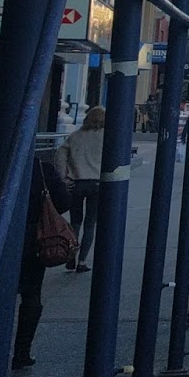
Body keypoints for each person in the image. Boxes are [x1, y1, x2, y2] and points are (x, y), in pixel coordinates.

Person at [0, 137, 70, 369]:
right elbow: (62, 201)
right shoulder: (38, 168)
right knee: (31, 294)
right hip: (30, 240)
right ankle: (22, 351)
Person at [56, 106, 107, 272]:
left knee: (75, 221)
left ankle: (71, 255)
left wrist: (63, 177)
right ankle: (82, 261)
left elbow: (60, 155)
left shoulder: (75, 136)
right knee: (90, 223)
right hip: (97, 183)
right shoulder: (107, 136)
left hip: (77, 183)